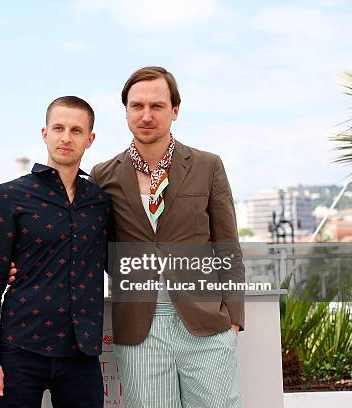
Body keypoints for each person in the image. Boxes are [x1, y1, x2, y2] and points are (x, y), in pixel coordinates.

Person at [90, 66, 245, 407]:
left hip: (205, 321)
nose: (146, 115)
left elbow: (227, 246)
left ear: (175, 110)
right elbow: (92, 247)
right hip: (139, 326)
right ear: (126, 111)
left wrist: (233, 317)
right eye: (137, 106)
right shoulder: (103, 175)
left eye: (157, 106)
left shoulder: (208, 165)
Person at [0, 96, 111, 407]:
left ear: (90, 139)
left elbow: (114, 262)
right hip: (19, 349)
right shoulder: (10, 196)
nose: (66, 137)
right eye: (58, 128)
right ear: (44, 134)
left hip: (82, 352)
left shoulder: (100, 202)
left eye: (76, 130)